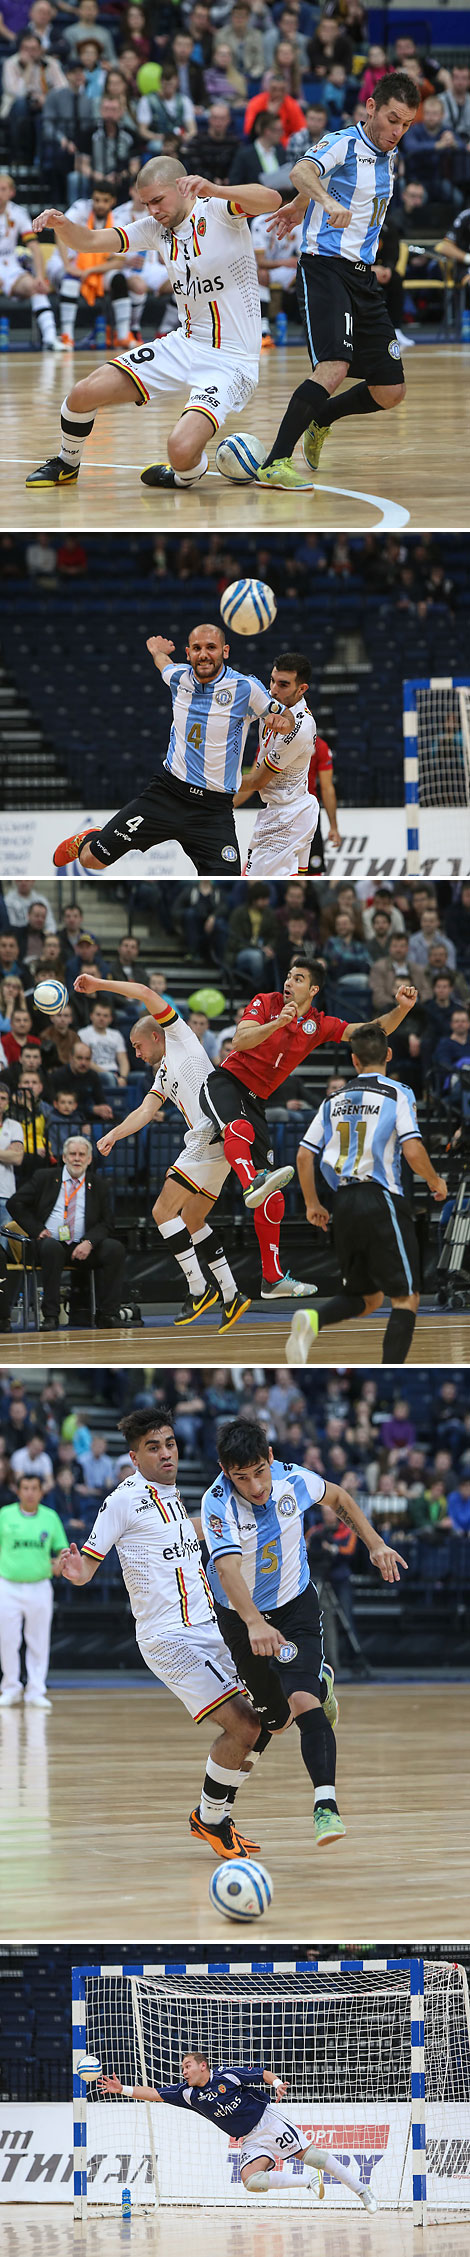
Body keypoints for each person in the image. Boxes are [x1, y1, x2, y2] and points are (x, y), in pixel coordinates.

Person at [55, 1408, 266, 1860]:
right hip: (168, 1638)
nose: (166, 1452)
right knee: (245, 1724)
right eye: (154, 1447)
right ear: (134, 1457)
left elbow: (177, 1536)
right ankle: (211, 1820)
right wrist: (76, 1570)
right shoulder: (123, 1500)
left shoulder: (172, 1496)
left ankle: (213, 1815)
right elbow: (89, 1565)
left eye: (169, 1443)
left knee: (269, 1716)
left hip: (209, 1628)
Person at [201, 1417, 406, 1848]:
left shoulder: (293, 1479)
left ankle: (325, 1807)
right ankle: (322, 1679)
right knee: (274, 1722)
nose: (256, 1486)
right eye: (242, 1477)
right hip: (241, 1618)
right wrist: (254, 1622)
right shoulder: (217, 1504)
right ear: (224, 1471)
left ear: (270, 1459)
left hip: (294, 1606)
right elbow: (226, 1569)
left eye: (260, 1472)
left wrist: (375, 1544)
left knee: (303, 1700)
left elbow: (339, 1497)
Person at [26, 152, 282, 492]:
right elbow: (89, 241)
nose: (153, 211)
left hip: (233, 361)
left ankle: (184, 474)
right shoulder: (154, 228)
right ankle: (67, 463)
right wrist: (63, 225)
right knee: (83, 393)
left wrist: (216, 189)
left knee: (180, 450)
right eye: (146, 204)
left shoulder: (219, 210)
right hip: (185, 344)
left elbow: (272, 199)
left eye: (158, 201)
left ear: (184, 187)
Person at [74, 966, 297, 1324]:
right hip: (218, 1143)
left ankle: (198, 1288)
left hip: (211, 1131)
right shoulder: (162, 1072)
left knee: (163, 1212)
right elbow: (147, 1110)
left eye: (137, 1045)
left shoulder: (178, 1035)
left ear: (155, 1036)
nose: (136, 1053)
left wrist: (99, 985)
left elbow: (146, 993)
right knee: (192, 1218)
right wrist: (114, 1133)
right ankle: (231, 1292)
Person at [200, 952, 419, 1295]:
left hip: (256, 1101)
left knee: (274, 1198)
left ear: (313, 989)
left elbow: (370, 1031)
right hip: (225, 1083)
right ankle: (249, 1180)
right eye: (288, 976)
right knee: (240, 1134)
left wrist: (403, 1009)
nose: (288, 982)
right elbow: (240, 1041)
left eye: (298, 979)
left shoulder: (318, 1025)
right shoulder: (266, 1002)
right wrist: (276, 1023)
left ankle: (271, 1279)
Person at [250, 73, 420, 490]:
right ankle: (274, 462)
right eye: (393, 119)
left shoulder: (389, 153)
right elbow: (304, 169)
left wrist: (300, 205)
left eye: (407, 125)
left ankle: (322, 418)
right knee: (334, 366)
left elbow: (329, 182)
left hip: (362, 276)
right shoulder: (344, 140)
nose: (397, 131)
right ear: (371, 107)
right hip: (325, 266)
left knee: (390, 390)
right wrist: (318, 201)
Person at [51, 623, 296, 880]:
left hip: (213, 812)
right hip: (167, 795)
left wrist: (283, 721)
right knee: (92, 860)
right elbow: (163, 664)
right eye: (197, 648)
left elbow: (284, 715)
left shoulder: (246, 688)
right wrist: (156, 651)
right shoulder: (178, 677)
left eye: (211, 648)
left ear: (225, 651)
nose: (204, 654)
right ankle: (89, 837)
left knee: (226, 884)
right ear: (188, 653)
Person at [288, 1018, 447, 1368]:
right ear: (388, 1054)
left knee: (368, 1297)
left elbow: (303, 1155)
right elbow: (413, 1149)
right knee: (406, 1298)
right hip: (381, 1199)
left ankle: (312, 1321)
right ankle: (393, 1371)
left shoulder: (332, 1099)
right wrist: (435, 1181)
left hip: (343, 1202)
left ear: (354, 1061)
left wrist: (313, 1203)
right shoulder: (398, 1093)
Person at [98, 2050, 377, 2209]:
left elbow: (262, 2073)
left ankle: (362, 2191)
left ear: (202, 2065)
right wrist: (122, 2089)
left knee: (314, 2157)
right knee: (252, 2183)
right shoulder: (187, 2094)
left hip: (267, 2122)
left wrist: (277, 2082)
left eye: (187, 2066)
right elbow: (155, 2093)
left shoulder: (227, 2076)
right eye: (182, 2068)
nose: (183, 2071)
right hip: (250, 2140)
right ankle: (307, 2181)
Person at [6, 1133, 126, 1331]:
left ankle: (108, 1314)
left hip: (82, 1247)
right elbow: (15, 1203)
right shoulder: (44, 1177)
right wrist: (37, 1230)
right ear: (64, 1157)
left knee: (115, 1249)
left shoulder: (99, 1185)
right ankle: (51, 1316)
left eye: (81, 1154)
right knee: (52, 1248)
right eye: (72, 1154)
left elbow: (107, 1223)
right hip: (48, 1245)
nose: (76, 1158)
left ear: (89, 1159)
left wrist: (89, 1242)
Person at [235, 650, 319, 877]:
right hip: (290, 809)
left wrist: (211, 784)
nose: (273, 690)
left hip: (287, 815)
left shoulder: (299, 729)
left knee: (251, 880)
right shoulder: (272, 704)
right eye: (272, 680)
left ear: (301, 689)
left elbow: (257, 781)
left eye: (283, 684)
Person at [0, 1471, 67, 1709]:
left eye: (34, 1488)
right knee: (8, 1640)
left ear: (41, 1491)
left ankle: (36, 1690)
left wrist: (61, 1562)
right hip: (7, 1585)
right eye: (25, 1488)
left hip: (40, 1586)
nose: (29, 1492)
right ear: (18, 1491)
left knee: (38, 1640)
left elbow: (62, 1549)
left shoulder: (50, 1518)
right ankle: (10, 1687)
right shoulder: (4, 1515)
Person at [0, 168, 61, 352]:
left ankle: (50, 338)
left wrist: (40, 276)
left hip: (10, 265)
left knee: (36, 287)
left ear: (12, 192)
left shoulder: (17, 213)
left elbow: (34, 247)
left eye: (3, 189)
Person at [306, 730, 342, 870]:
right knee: (309, 869)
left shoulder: (319, 746)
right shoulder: (319, 745)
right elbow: (327, 788)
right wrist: (334, 827)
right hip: (305, 810)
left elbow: (327, 789)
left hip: (300, 809)